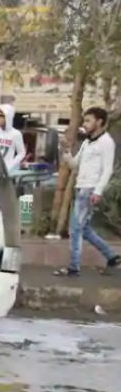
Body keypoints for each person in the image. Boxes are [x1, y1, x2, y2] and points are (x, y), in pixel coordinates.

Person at [53, 107, 120, 277]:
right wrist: (67, 152)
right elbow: (75, 165)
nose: (85, 124)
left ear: (99, 122)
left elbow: (107, 170)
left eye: (88, 120)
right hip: (80, 187)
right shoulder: (87, 142)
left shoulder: (107, 142)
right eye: (85, 120)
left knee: (75, 229)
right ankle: (112, 257)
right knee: (85, 229)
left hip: (89, 189)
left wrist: (97, 192)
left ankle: (74, 267)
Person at [0, 104, 26, 174]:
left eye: (1, 116)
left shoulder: (15, 134)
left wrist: (11, 165)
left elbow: (21, 153)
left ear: (8, 117)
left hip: (6, 171)